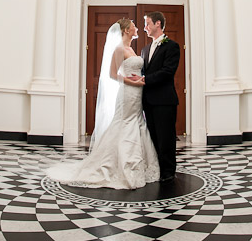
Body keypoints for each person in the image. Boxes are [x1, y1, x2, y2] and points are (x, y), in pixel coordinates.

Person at [47, 18, 159, 189]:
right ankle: (121, 164)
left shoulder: (131, 49)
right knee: (125, 123)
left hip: (138, 93)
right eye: (134, 26)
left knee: (137, 122)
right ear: (126, 30)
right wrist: (134, 83)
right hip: (128, 92)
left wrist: (141, 82)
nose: (137, 28)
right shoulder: (119, 49)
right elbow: (113, 74)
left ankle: (141, 164)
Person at [135, 11, 180, 183]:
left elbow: (168, 72)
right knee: (153, 136)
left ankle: (168, 172)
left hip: (164, 100)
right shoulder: (145, 49)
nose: (145, 27)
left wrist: (145, 80)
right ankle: (157, 169)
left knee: (166, 137)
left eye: (147, 23)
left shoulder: (172, 46)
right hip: (148, 101)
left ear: (158, 24)